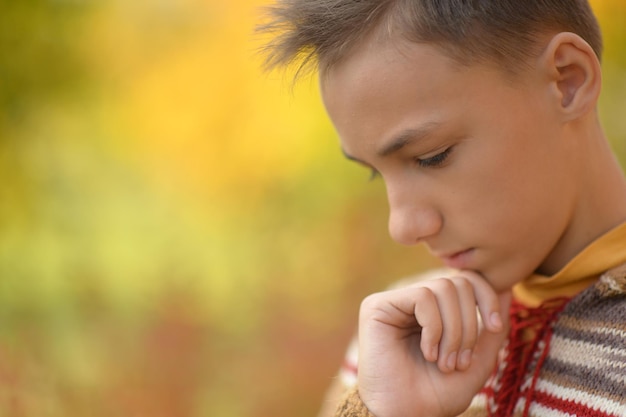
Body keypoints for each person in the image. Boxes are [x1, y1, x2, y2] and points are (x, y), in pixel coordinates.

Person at [258, 1, 626, 416]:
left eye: (432, 156)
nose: (402, 227)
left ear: (567, 81)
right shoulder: (395, 342)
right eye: (375, 173)